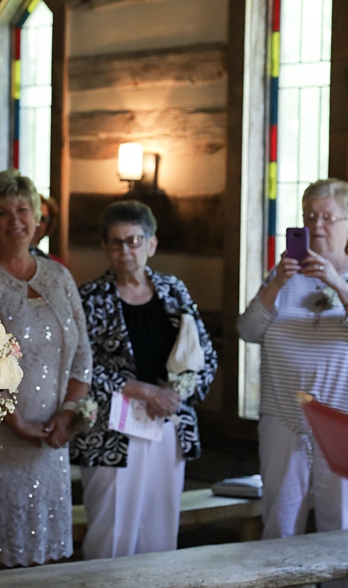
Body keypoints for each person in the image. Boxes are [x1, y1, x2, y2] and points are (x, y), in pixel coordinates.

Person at [238, 179, 348, 584]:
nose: (318, 224)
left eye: (328, 217)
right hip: (284, 419)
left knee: (342, 533)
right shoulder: (282, 275)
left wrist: (339, 286)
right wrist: (275, 286)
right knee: (279, 526)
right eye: (310, 216)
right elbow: (248, 331)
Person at [0, 169, 93, 569]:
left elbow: (83, 352)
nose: (15, 220)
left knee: (49, 558)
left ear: (37, 217)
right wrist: (14, 420)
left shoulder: (58, 275)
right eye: (2, 212)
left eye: (23, 209)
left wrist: (68, 414)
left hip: (51, 439)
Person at [72, 200, 218, 559]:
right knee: (111, 534)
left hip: (167, 422)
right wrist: (142, 391)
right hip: (112, 431)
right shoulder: (90, 298)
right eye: (117, 242)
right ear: (106, 247)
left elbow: (204, 354)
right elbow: (79, 365)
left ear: (151, 244)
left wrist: (175, 395)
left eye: (134, 240)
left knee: (159, 529)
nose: (126, 250)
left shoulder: (174, 291)